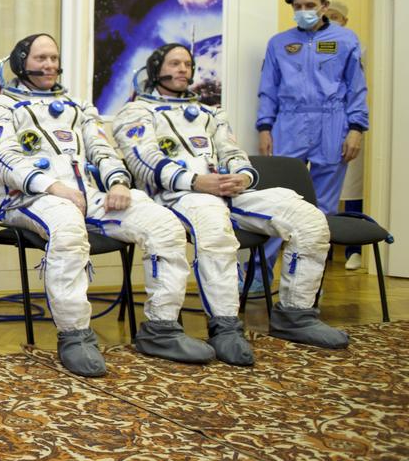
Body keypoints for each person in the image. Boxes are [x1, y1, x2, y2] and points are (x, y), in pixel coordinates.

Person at [0, 33, 208, 378]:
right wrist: (52, 187)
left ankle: (162, 329)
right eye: (40, 59)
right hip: (27, 198)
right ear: (21, 63)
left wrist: (118, 182)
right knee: (67, 227)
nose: (49, 65)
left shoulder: (79, 108)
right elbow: (2, 159)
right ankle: (75, 335)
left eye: (53, 58)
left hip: (89, 196)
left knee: (164, 224)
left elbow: (102, 150)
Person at [114, 43, 348, 354]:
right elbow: (145, 162)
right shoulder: (136, 112)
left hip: (227, 192)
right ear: (156, 69)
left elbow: (232, 152)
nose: (182, 69)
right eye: (174, 63)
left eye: (187, 64)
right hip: (178, 196)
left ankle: (296, 314)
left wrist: (243, 176)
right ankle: (224, 326)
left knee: (308, 219)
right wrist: (197, 181)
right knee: (214, 226)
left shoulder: (210, 113)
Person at [256, 0, 368, 287]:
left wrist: (357, 128)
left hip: (333, 124)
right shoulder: (279, 43)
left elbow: (357, 88)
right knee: (275, 202)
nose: (303, 12)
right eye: (298, 7)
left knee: (322, 209)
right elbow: (268, 89)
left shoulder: (346, 40)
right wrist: (265, 127)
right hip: (288, 124)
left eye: (309, 6)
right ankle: (258, 275)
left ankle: (305, 282)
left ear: (324, 6)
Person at [321, 0, 366, 270]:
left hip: (347, 126)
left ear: (345, 20)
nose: (331, 19)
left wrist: (355, 129)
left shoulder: (353, 45)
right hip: (312, 129)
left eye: (336, 16)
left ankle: (353, 249)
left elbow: (357, 90)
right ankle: (320, 251)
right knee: (312, 196)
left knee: (351, 190)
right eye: (328, 16)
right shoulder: (305, 45)